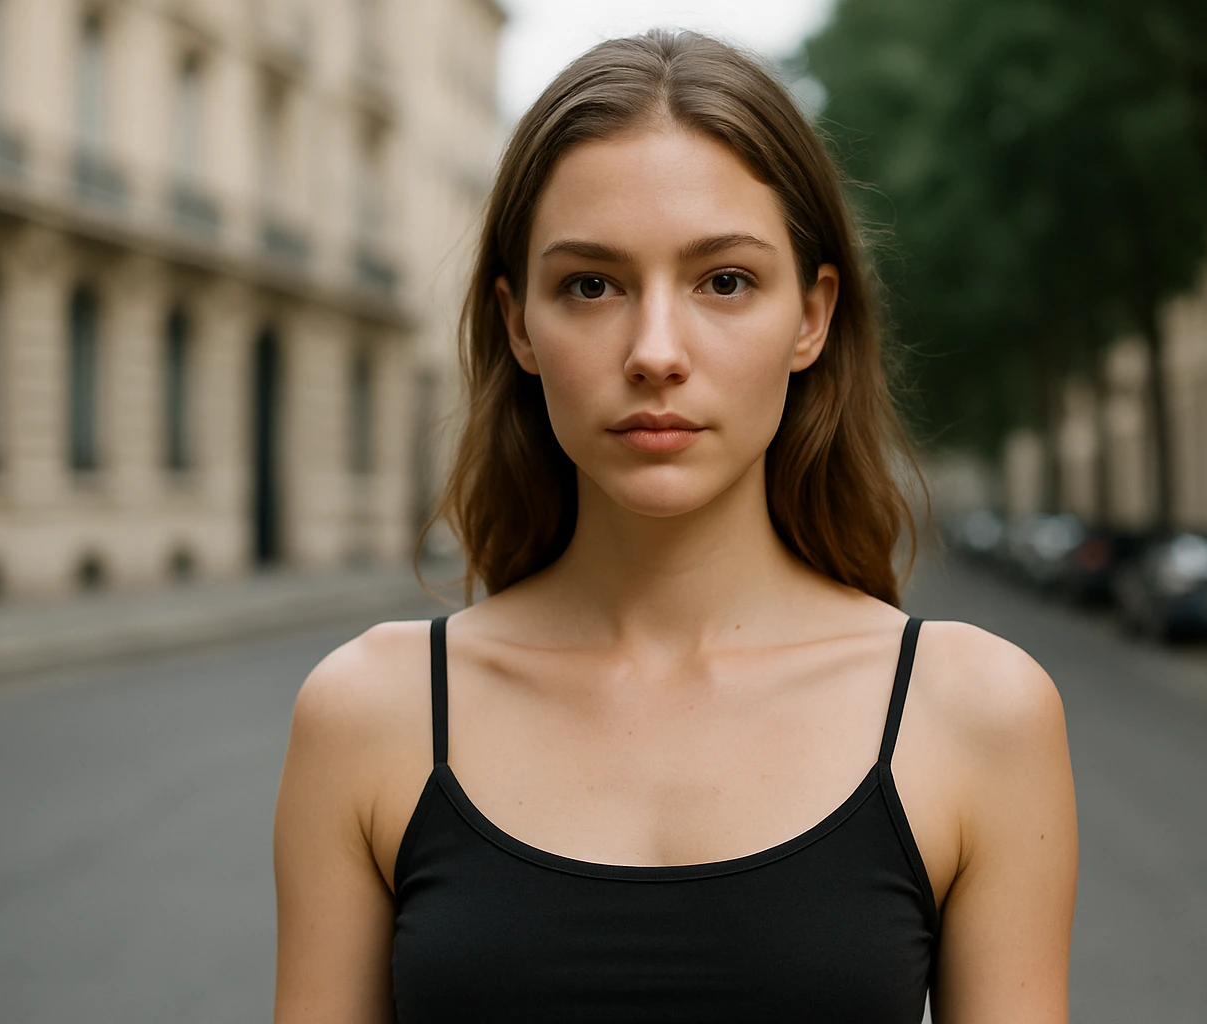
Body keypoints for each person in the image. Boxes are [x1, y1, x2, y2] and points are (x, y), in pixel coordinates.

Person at [272, 29, 1076, 1024]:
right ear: (519, 323)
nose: (655, 352)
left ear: (812, 317)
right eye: (591, 285)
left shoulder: (979, 714)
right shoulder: (368, 714)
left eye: (724, 281)